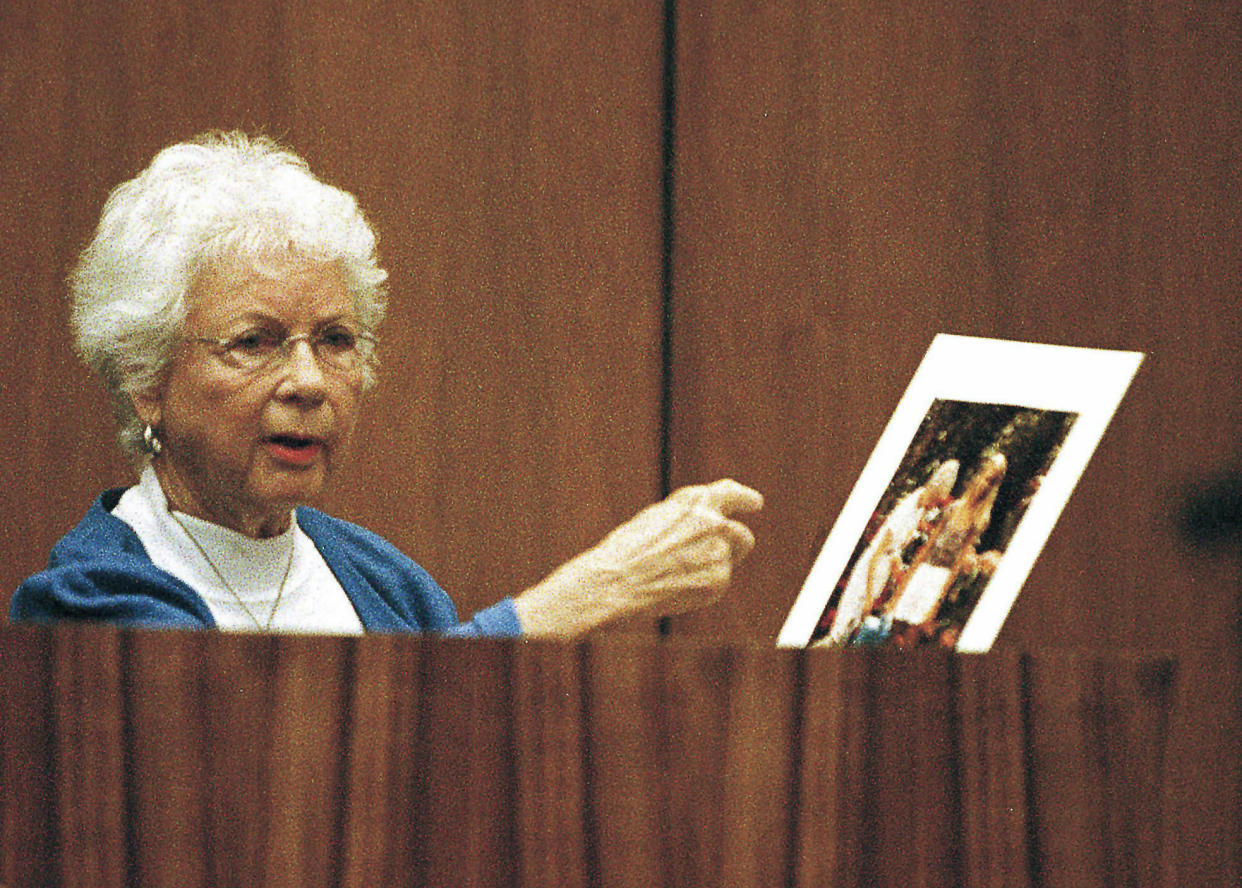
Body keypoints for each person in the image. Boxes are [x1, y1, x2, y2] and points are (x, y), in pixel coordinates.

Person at [9, 132, 763, 637]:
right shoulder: (93, 595)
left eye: (336, 340)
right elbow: (267, 775)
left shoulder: (385, 585)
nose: (309, 381)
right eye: (254, 343)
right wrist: (591, 592)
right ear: (146, 377)